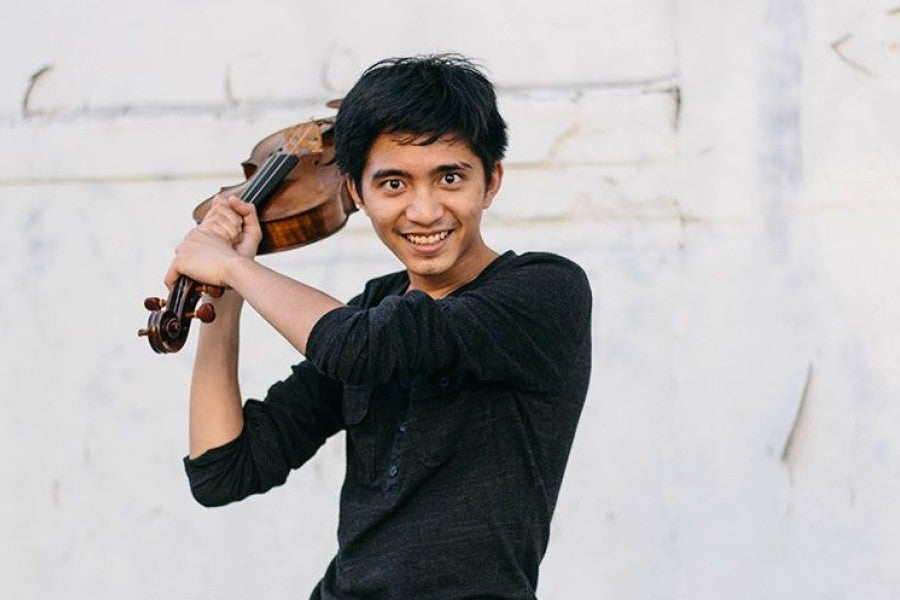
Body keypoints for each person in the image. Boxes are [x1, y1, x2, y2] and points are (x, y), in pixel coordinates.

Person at [169, 54, 592, 599]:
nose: (423, 210)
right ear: (356, 193)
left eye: (450, 177)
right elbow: (223, 471)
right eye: (393, 183)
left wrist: (235, 266)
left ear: (491, 182)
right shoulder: (375, 306)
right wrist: (220, 301)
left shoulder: (544, 290)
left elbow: (362, 348)